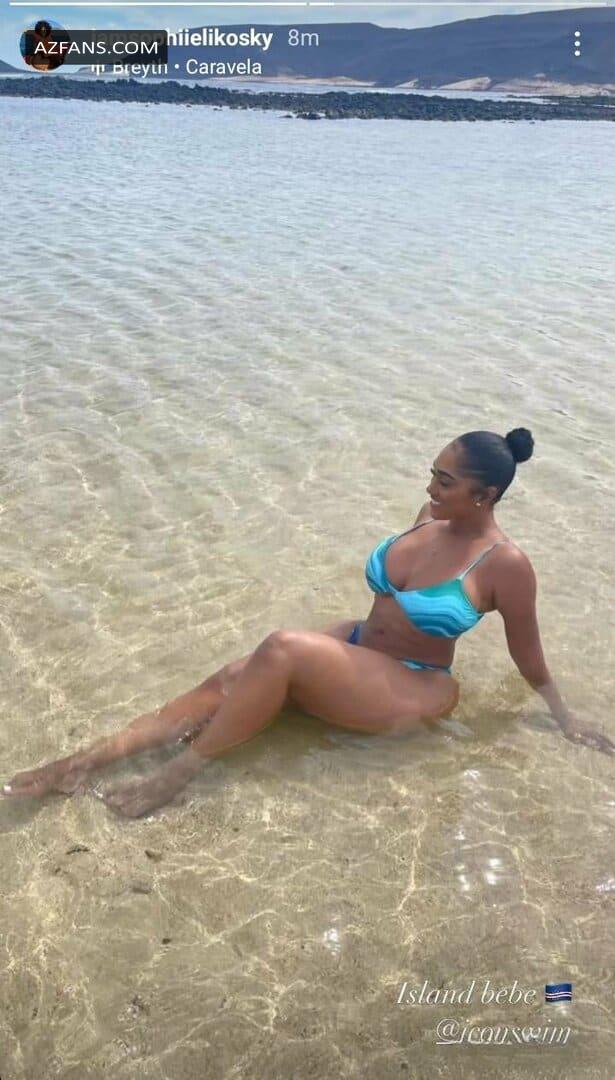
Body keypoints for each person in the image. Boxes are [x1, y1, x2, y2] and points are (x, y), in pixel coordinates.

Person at [3, 427, 612, 819]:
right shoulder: (429, 516)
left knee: (282, 649)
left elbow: (528, 655)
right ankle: (79, 764)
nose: (429, 487)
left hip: (415, 682)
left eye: (445, 481)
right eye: (432, 472)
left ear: (485, 495)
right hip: (357, 647)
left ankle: (181, 772)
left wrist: (564, 718)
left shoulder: (505, 564)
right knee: (231, 679)